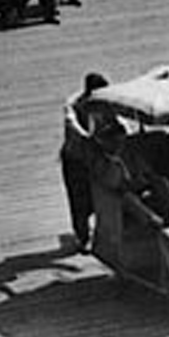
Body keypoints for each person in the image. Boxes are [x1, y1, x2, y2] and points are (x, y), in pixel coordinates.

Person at [59, 72, 109, 253]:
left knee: (99, 195)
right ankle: (82, 237)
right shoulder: (74, 104)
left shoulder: (103, 102)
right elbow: (70, 121)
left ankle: (100, 233)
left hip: (94, 158)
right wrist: (85, 135)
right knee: (78, 199)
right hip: (75, 159)